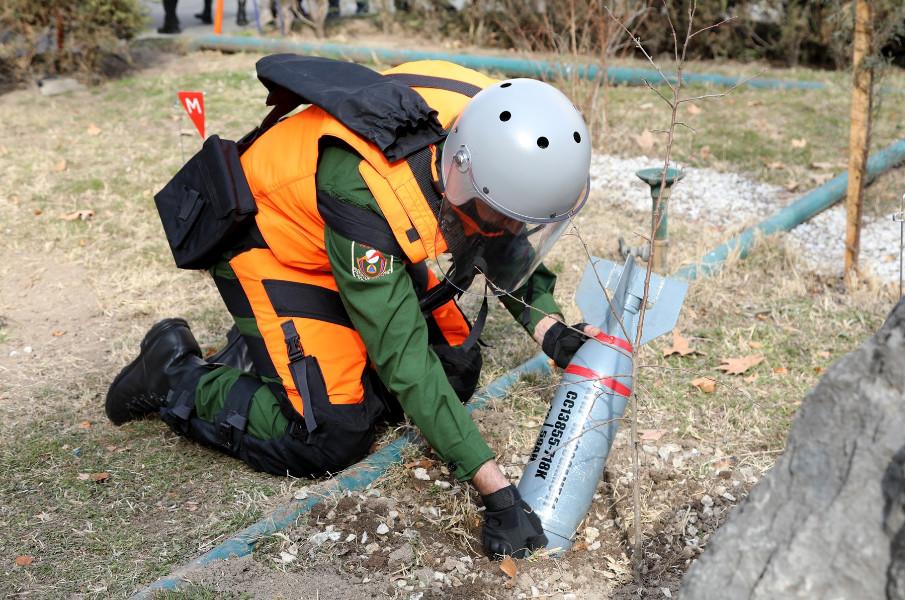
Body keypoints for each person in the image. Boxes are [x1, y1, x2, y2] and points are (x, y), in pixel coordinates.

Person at [106, 56, 594, 559]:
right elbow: (404, 358)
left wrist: (549, 326)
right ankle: (173, 374)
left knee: (455, 366)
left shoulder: (497, 120)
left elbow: (504, 228)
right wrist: (496, 492)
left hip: (352, 234)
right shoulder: (369, 187)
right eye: (503, 216)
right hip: (279, 247)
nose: (511, 228)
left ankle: (287, 358)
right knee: (331, 435)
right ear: (463, 174)